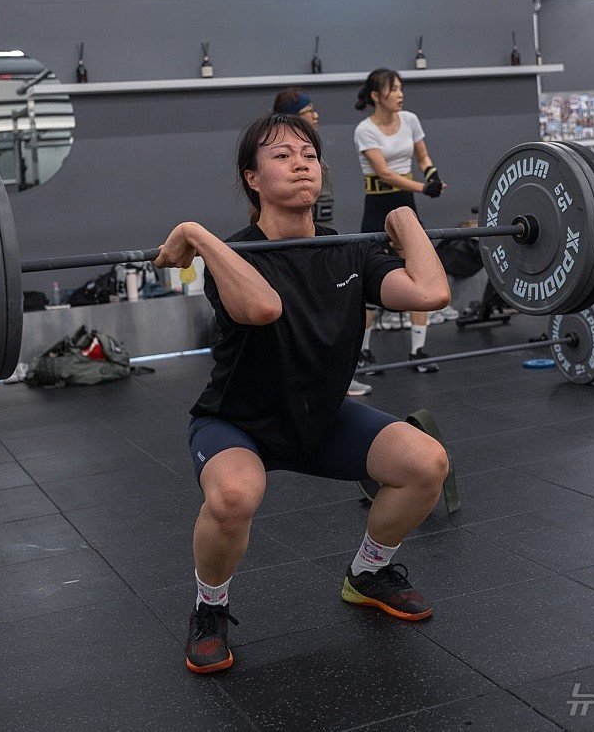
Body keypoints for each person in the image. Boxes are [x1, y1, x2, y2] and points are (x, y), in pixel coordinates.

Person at [154, 113, 450, 674]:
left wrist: (406, 222)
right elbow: (264, 308)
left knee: (426, 462)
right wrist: (195, 234)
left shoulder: (351, 252)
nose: (301, 164)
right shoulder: (231, 253)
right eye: (283, 156)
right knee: (233, 497)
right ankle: (209, 609)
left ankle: (367, 573)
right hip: (237, 423)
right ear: (253, 179)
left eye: (310, 156)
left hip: (320, 418)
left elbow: (430, 293)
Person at [353, 68, 457, 375]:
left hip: (406, 204)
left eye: (400, 88)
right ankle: (362, 353)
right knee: (370, 275)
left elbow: (423, 157)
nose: (400, 94)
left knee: (419, 269)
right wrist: (425, 188)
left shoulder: (410, 120)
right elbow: (384, 173)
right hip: (378, 206)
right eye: (393, 89)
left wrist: (431, 174)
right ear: (375, 96)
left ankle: (418, 351)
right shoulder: (364, 130)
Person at [272, 87, 372, 397]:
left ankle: (336, 376)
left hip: (324, 242)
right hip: (297, 250)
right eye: (307, 112)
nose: (315, 115)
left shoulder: (315, 157)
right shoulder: (281, 164)